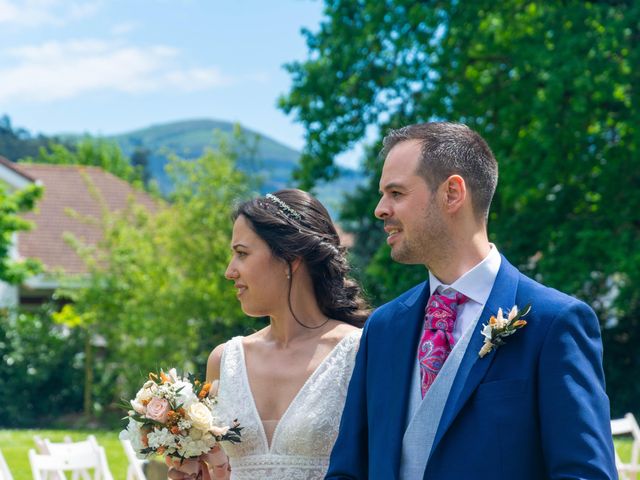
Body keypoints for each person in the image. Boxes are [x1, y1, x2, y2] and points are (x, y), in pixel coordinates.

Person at [326, 122, 617, 479]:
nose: (380, 209)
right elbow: (348, 471)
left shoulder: (554, 324)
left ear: (452, 193)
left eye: (396, 193)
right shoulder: (383, 328)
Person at [204, 189, 368, 479]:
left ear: (291, 258)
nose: (230, 271)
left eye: (242, 254)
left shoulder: (358, 353)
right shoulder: (224, 361)